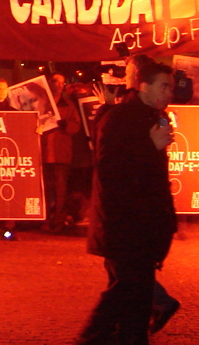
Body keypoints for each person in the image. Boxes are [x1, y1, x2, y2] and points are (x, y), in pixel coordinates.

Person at [76, 59, 177, 345]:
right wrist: (150, 146)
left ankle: (125, 336)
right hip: (126, 224)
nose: (169, 93)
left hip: (145, 224)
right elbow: (111, 170)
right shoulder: (120, 117)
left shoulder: (153, 117)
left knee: (136, 296)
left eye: (170, 86)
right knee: (128, 288)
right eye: (164, 86)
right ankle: (91, 337)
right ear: (143, 86)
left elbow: (154, 178)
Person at [42, 74, 81, 232]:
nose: (60, 85)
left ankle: (58, 220)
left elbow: (76, 125)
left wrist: (66, 124)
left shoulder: (68, 104)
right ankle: (44, 219)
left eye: (62, 83)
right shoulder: (43, 102)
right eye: (57, 82)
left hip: (61, 152)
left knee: (60, 189)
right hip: (44, 152)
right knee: (45, 188)